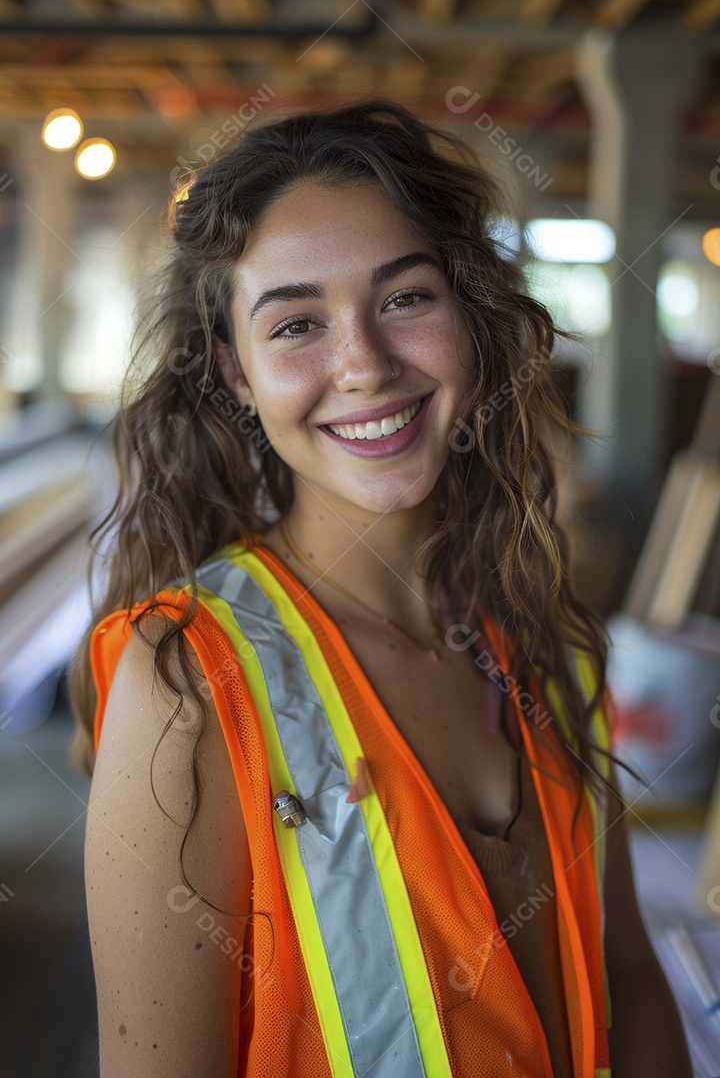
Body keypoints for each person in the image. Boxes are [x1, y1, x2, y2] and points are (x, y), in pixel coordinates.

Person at [71, 100, 693, 1078]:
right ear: (234, 370)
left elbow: (630, 977)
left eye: (406, 299)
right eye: (298, 323)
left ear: (472, 315)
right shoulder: (192, 677)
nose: (363, 366)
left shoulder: (546, 637)